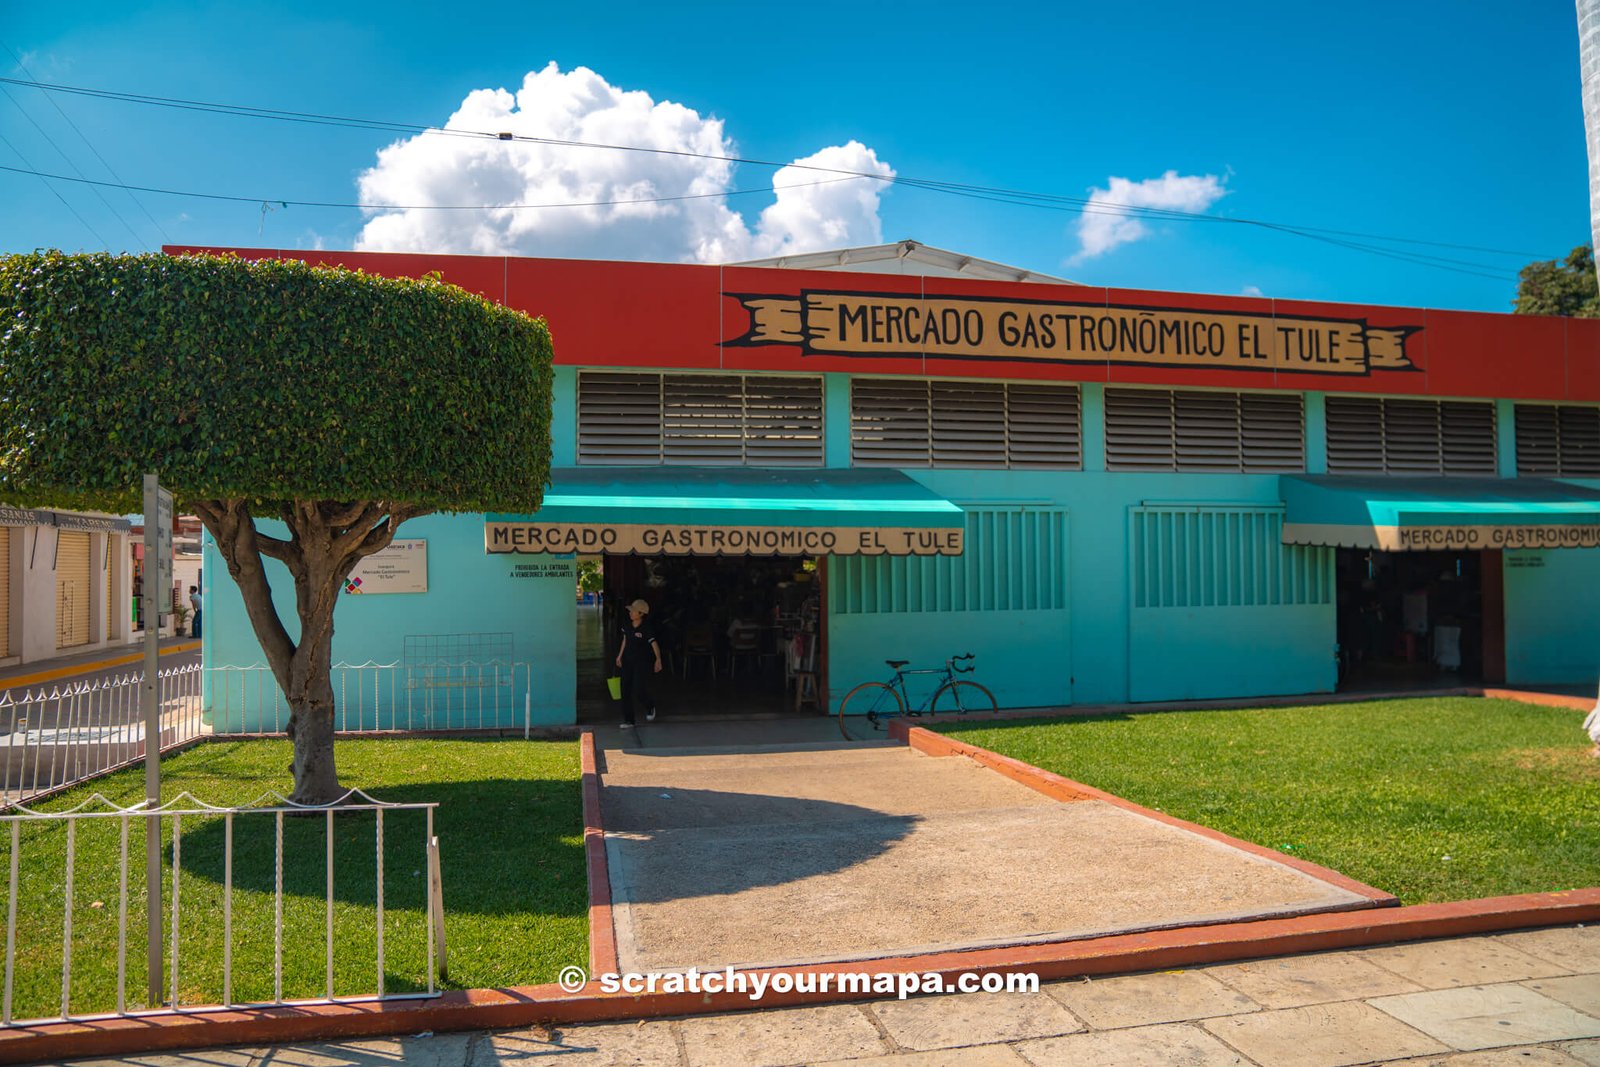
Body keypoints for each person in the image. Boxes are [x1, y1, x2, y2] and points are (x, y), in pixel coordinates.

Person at [614, 598, 662, 728]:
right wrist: (619, 656)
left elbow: (654, 644)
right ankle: (629, 720)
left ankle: (649, 705)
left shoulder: (647, 628)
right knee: (625, 690)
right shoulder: (626, 624)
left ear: (641, 614)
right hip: (627, 661)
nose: (631, 613)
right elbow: (625, 640)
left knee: (638, 689)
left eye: (634, 611)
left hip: (641, 663)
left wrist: (658, 659)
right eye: (630, 611)